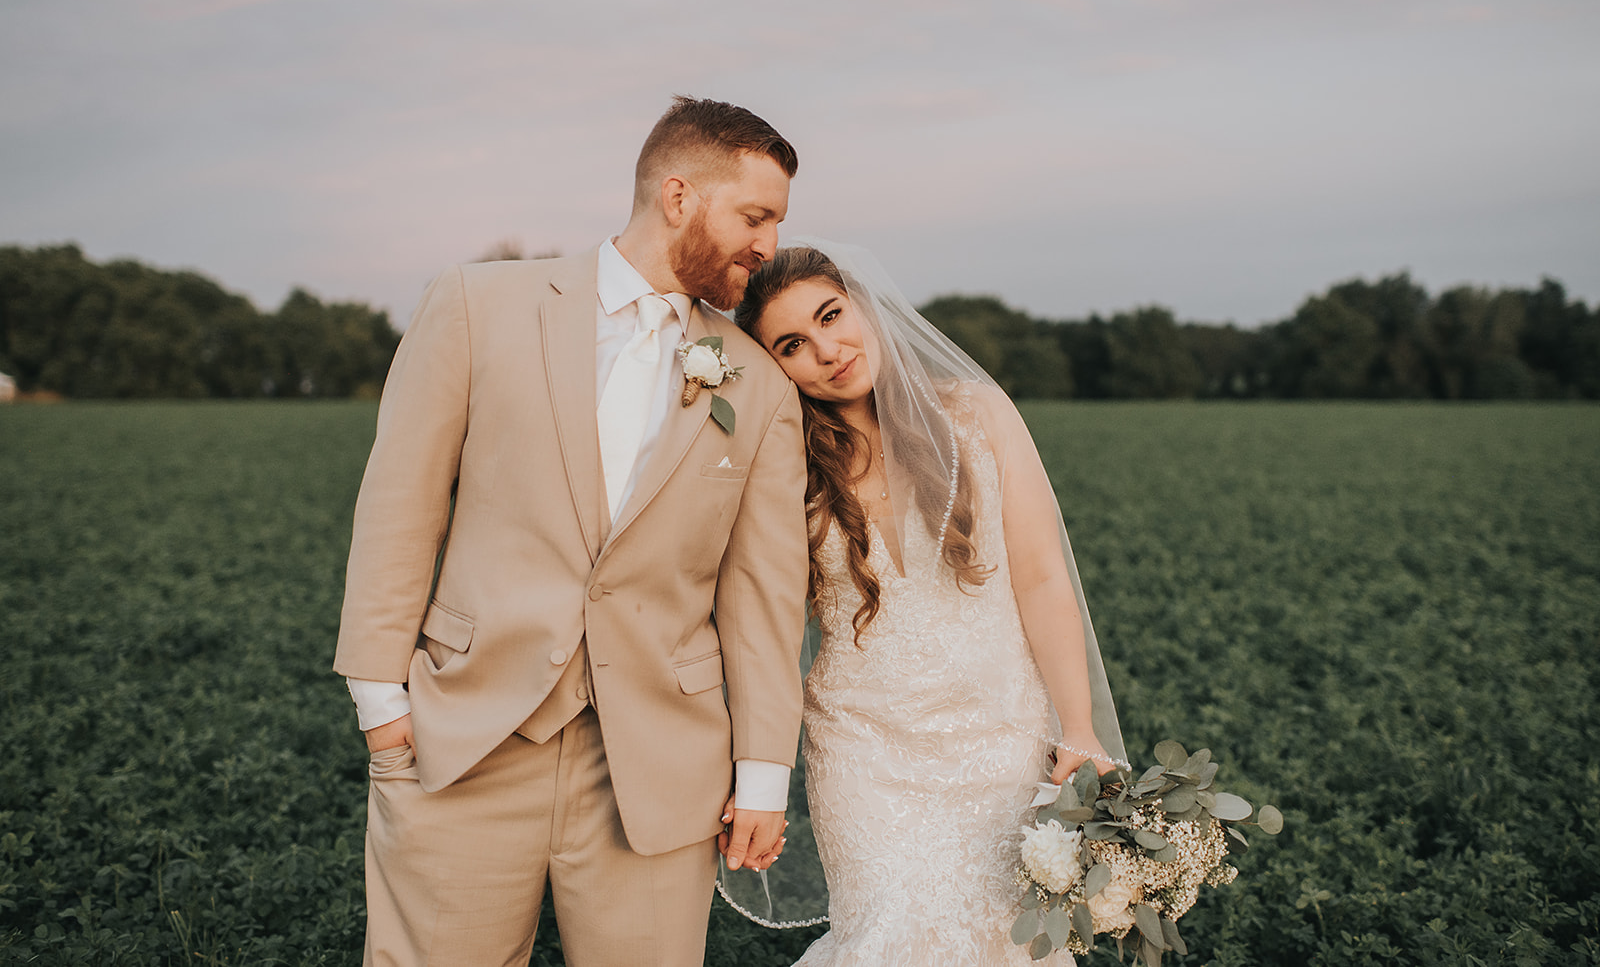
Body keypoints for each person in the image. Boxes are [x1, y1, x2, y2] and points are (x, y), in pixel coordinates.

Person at [333, 96, 810, 967]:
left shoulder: (759, 386)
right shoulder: (477, 304)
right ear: (677, 196)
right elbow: (400, 506)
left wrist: (764, 773)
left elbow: (764, 597)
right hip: (464, 744)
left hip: (661, 770)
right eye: (754, 216)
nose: (767, 246)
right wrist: (382, 707)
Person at [728, 241, 1126, 964]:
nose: (827, 348)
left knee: (1005, 942)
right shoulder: (786, 460)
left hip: (998, 735)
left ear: (864, 306)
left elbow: (1040, 577)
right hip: (862, 748)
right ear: (774, 367)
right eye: (793, 344)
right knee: (889, 937)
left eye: (831, 315)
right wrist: (755, 770)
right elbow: (767, 626)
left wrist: (1079, 727)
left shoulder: (978, 415)